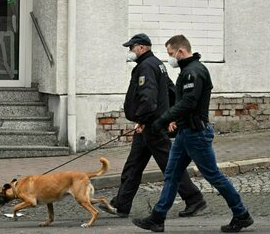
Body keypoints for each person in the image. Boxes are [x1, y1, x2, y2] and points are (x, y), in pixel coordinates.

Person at [133, 35, 254, 233]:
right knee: (172, 174)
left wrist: (163, 119)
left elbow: (188, 103)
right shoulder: (189, 70)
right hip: (186, 133)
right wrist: (174, 120)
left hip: (196, 134)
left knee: (213, 175)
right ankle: (157, 218)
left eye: (170, 53)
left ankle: (241, 214)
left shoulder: (193, 72)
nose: (169, 58)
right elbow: (186, 105)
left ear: (180, 51)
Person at [100, 33, 205, 218]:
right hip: (150, 125)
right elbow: (171, 90)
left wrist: (143, 120)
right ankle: (121, 205)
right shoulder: (157, 64)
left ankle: (194, 199)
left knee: (170, 167)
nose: (129, 51)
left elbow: (147, 99)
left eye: (131, 47)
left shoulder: (147, 66)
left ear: (142, 48)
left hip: (152, 126)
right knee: (133, 165)